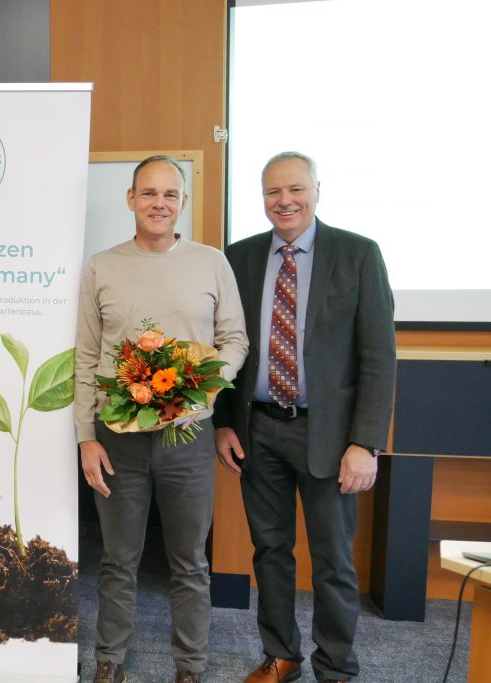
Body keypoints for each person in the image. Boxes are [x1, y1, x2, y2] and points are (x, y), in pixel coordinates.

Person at [213, 151, 396, 683]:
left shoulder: (358, 254)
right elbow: (228, 345)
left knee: (333, 560)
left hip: (331, 436)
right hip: (258, 430)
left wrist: (366, 442)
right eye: (273, 192)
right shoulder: (240, 257)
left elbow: (379, 356)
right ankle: (281, 655)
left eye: (295, 189)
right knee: (270, 550)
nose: (284, 200)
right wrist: (225, 421)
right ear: (262, 197)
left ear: (317, 190)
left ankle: (336, 666)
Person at [75, 155, 249, 683]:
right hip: (117, 441)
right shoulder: (102, 266)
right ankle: (109, 661)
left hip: (188, 439)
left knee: (190, 563)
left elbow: (234, 339)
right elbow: (85, 357)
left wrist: (204, 390)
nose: (159, 204)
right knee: (118, 560)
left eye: (169, 195)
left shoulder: (211, 262)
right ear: (131, 200)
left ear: (183, 204)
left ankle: (190, 667)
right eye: (148, 194)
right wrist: (86, 436)